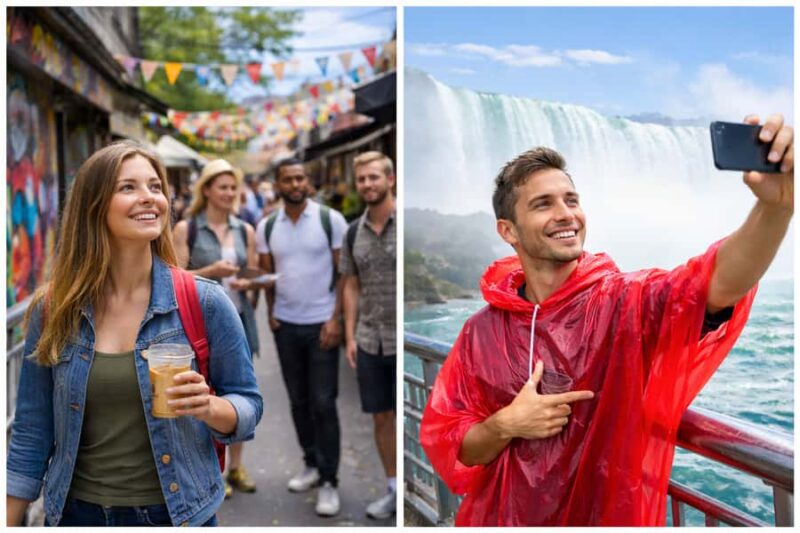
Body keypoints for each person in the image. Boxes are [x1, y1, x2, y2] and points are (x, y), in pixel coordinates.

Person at [419, 114, 793, 526]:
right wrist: (506, 423)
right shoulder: (481, 332)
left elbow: (715, 283)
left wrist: (774, 209)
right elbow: (459, 445)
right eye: (544, 204)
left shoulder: (622, 302)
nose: (566, 214)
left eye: (571, 200)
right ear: (508, 230)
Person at [6, 141, 262, 527]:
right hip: (78, 515)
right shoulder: (54, 308)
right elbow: (30, 431)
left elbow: (248, 404)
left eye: (155, 187)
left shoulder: (204, 301)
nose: (149, 198)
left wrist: (209, 407)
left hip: (177, 515)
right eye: (128, 188)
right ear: (93, 206)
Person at [256, 158, 348, 517]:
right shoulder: (266, 227)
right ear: (278, 185)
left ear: (308, 182)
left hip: (321, 324)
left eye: (299, 178)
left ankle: (329, 480)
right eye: (287, 180)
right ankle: (310, 462)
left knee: (324, 402)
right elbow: (267, 275)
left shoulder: (330, 221)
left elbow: (343, 273)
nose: (294, 184)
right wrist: (271, 312)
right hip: (286, 326)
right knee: (297, 400)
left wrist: (335, 319)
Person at [172, 159, 263, 498]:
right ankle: (213, 468)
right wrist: (213, 271)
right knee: (204, 394)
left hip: (239, 322)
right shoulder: (187, 230)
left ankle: (237, 465)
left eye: (233, 187)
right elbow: (172, 278)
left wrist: (251, 282)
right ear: (206, 190)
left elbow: (251, 272)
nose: (229, 193)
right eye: (222, 187)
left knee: (238, 391)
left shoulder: (246, 230)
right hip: (197, 324)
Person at [340, 152, 397, 519]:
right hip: (369, 338)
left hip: (399, 338)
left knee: (413, 416)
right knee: (380, 417)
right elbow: (350, 285)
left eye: (374, 177)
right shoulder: (351, 232)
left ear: (390, 180)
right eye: (361, 179)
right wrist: (349, 336)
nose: (367, 185)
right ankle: (393, 487)